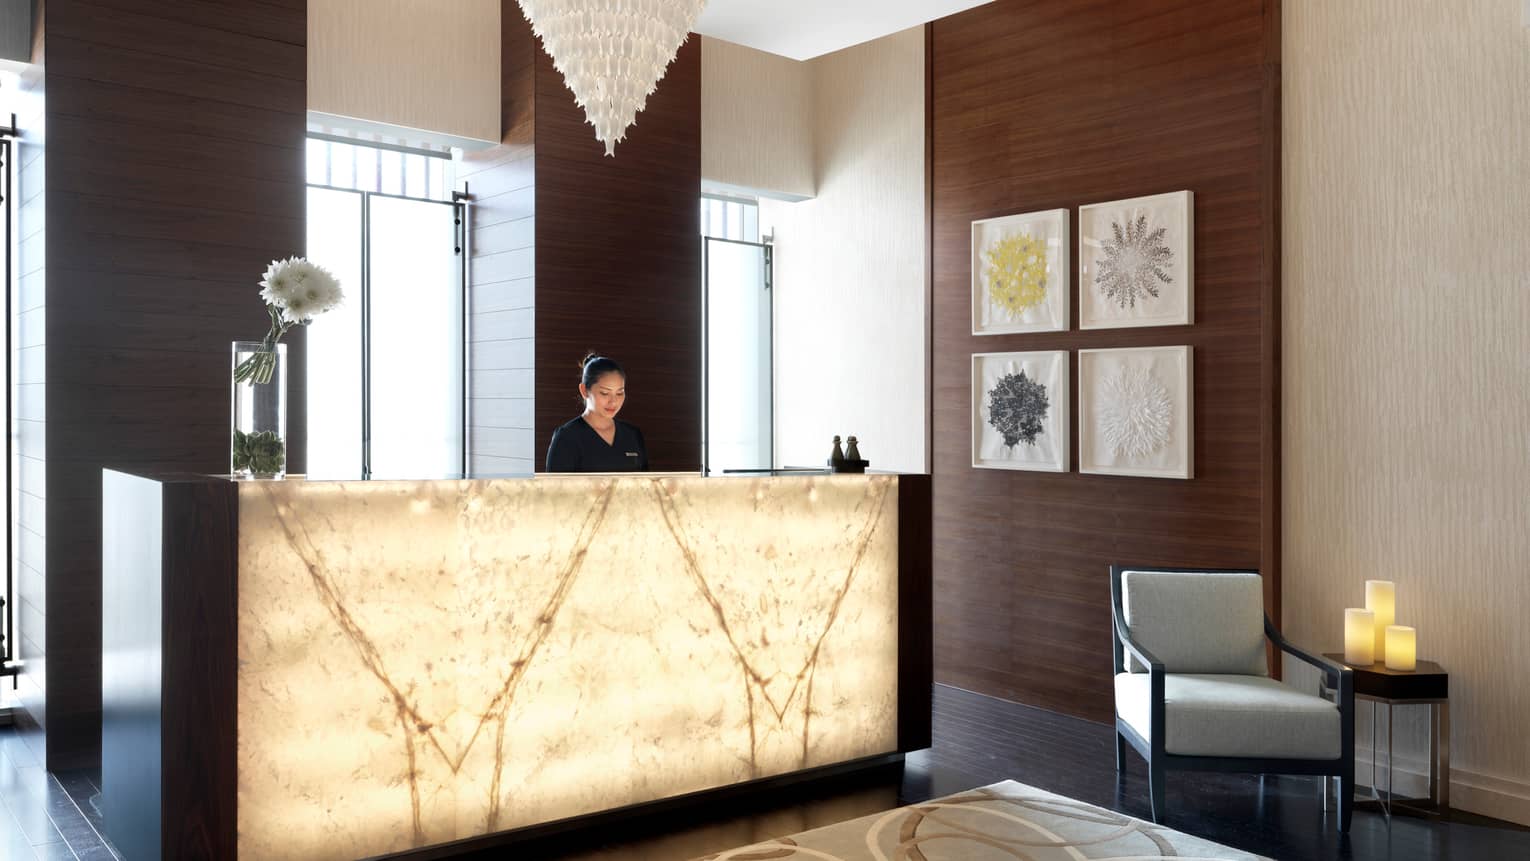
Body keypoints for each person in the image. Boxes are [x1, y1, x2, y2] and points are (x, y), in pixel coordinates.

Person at [544, 353, 650, 472]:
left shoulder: (633, 435)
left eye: (619, 393)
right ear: (584, 390)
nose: (613, 401)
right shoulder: (567, 437)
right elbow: (554, 489)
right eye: (605, 393)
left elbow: (645, 486)